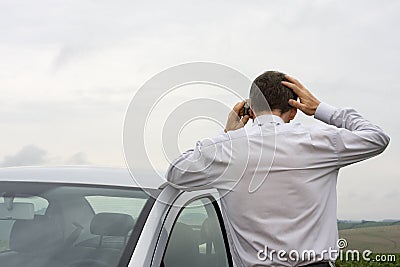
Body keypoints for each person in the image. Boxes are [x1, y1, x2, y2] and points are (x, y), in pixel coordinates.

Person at [166, 71, 390, 267]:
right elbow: (376, 137)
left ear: (251, 110)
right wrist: (320, 108)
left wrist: (227, 134)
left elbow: (176, 173)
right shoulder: (318, 142)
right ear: (293, 112)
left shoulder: (226, 149)